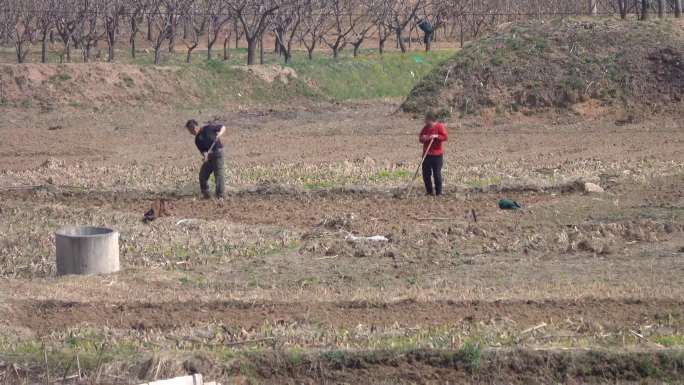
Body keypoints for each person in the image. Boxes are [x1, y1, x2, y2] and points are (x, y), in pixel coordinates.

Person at [186, 119, 226, 199]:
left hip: (218, 154)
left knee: (218, 175)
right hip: (210, 157)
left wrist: (219, 134)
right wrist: (205, 156)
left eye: (192, 129)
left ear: (196, 127)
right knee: (202, 175)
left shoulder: (208, 128)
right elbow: (203, 151)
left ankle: (220, 196)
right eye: (190, 130)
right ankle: (206, 194)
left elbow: (223, 127)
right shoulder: (197, 140)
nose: (192, 132)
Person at [419, 111, 448, 196]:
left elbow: (445, 137)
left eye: (427, 120)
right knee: (426, 174)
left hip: (437, 155)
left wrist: (436, 136)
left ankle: (439, 192)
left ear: (431, 120)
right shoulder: (425, 128)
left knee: (436, 174)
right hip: (427, 154)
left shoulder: (440, 126)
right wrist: (424, 138)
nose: (425, 121)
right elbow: (421, 138)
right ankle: (429, 192)